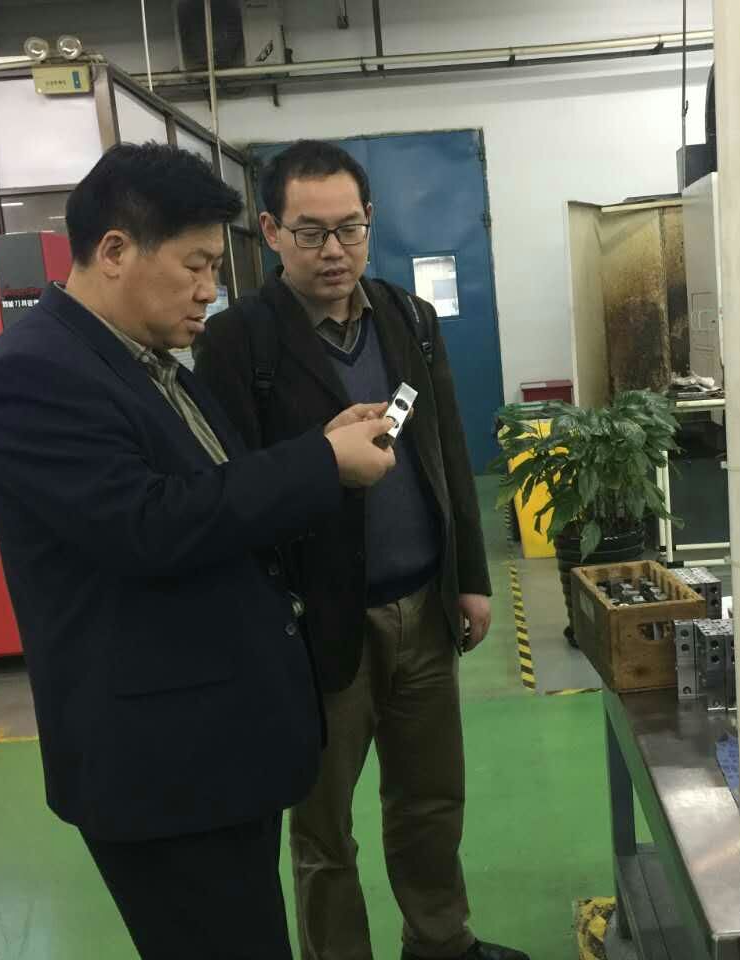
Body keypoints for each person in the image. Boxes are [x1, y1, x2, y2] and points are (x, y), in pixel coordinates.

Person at [0, 142, 397, 960]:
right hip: (160, 768)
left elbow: (213, 488)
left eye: (215, 269)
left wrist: (317, 448)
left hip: (215, 747)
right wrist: (319, 464)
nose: (209, 289)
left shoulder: (150, 365)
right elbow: (149, 525)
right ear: (115, 250)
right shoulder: (34, 375)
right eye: (196, 266)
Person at [194, 141, 527, 960]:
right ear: (271, 231)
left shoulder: (407, 319)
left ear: (371, 221)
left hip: (424, 608)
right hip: (317, 626)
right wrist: (318, 459)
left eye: (349, 228)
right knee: (323, 827)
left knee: (431, 800)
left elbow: (444, 449)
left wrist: (471, 577)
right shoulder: (239, 342)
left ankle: (440, 941)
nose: (334, 251)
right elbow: (231, 486)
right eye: (311, 233)